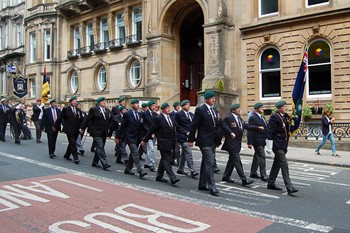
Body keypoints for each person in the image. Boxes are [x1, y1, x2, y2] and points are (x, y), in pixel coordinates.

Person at [188, 91, 233, 196]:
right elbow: (194, 125)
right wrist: (190, 139)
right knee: (210, 163)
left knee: (205, 163)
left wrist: (230, 132)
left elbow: (221, 122)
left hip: (212, 141)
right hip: (204, 140)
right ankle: (212, 186)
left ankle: (202, 184)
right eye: (212, 98)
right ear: (206, 99)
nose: (214, 99)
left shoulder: (214, 110)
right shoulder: (200, 110)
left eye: (214, 98)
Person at [221, 103, 259, 186]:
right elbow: (222, 128)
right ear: (233, 110)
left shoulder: (239, 119)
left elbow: (246, 126)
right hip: (231, 143)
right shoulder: (228, 118)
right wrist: (218, 140)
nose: (239, 109)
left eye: (239, 108)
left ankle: (226, 176)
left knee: (232, 160)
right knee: (237, 161)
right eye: (238, 108)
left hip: (237, 143)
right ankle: (244, 179)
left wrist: (257, 127)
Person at [142, 103, 180, 185]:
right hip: (163, 142)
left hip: (171, 142)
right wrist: (145, 140)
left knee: (164, 159)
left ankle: (159, 176)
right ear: (162, 110)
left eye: (168, 108)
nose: (168, 110)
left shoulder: (172, 118)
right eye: (166, 108)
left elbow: (178, 128)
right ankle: (173, 177)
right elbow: (151, 130)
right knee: (167, 160)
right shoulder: (158, 118)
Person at [267, 100, 298, 194]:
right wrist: (269, 146)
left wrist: (296, 117)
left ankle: (271, 183)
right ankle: (289, 187)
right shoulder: (274, 117)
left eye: (286, 106)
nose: (286, 108)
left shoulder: (286, 117)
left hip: (283, 145)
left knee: (277, 164)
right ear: (279, 108)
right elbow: (270, 131)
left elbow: (289, 127)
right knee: (284, 164)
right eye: (284, 107)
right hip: (277, 145)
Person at [115, 99, 147, 179]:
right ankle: (140, 171)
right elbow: (122, 126)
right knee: (135, 153)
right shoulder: (127, 114)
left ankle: (128, 169)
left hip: (137, 137)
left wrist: (143, 138)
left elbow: (140, 127)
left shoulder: (139, 114)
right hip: (129, 137)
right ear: (132, 105)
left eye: (138, 103)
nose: (138, 105)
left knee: (133, 155)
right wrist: (117, 137)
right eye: (136, 104)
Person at [81, 97, 112, 170]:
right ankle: (105, 164)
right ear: (99, 103)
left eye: (105, 101)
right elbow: (87, 119)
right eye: (102, 101)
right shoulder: (94, 109)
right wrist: (83, 128)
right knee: (100, 147)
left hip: (104, 132)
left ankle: (95, 162)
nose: (104, 102)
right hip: (96, 131)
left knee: (100, 148)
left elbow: (112, 118)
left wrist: (119, 122)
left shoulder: (107, 110)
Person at [54, 95, 83, 164]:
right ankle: (76, 157)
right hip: (69, 129)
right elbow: (59, 118)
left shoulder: (78, 110)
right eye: (73, 101)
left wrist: (83, 127)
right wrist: (55, 126)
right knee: (73, 143)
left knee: (72, 142)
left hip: (76, 129)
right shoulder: (66, 109)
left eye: (76, 101)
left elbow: (82, 119)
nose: (75, 102)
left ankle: (67, 155)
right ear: (70, 102)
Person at [175, 99, 198, 178]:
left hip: (190, 137)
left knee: (184, 154)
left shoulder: (191, 114)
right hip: (182, 137)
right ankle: (193, 170)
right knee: (189, 153)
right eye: (187, 105)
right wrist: (185, 132)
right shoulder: (179, 114)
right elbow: (176, 126)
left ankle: (180, 169)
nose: (189, 106)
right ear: (183, 106)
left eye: (189, 104)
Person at [247, 102, 269, 181]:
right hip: (257, 140)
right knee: (262, 156)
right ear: (256, 109)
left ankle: (253, 172)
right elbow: (250, 130)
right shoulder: (253, 117)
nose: (263, 108)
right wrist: (249, 142)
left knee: (257, 157)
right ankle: (263, 174)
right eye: (261, 107)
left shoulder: (261, 117)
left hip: (262, 140)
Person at [141, 100, 158, 172]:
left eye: (155, 106)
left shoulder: (155, 114)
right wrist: (149, 132)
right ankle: (151, 164)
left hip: (154, 135)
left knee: (149, 149)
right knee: (151, 149)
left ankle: (147, 163)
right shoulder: (144, 114)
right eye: (152, 106)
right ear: (149, 106)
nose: (154, 107)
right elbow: (143, 124)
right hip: (147, 134)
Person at [170, 101, 181, 166]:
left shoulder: (180, 113)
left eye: (179, 106)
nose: (179, 107)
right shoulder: (172, 114)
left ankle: (172, 160)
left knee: (175, 148)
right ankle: (179, 162)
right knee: (177, 148)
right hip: (175, 132)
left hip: (179, 132)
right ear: (175, 107)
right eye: (177, 106)